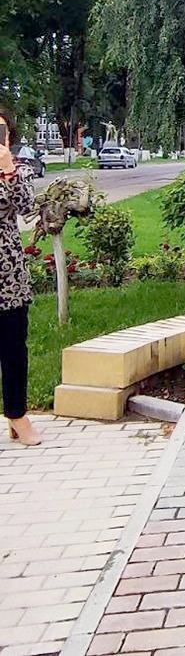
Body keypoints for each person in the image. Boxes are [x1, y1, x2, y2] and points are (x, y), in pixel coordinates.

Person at [0, 110, 41, 446]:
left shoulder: (19, 168)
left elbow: (28, 207)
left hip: (7, 271)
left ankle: (17, 415)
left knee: (13, 347)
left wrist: (8, 170)